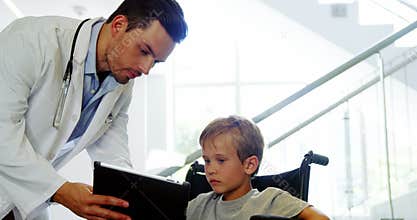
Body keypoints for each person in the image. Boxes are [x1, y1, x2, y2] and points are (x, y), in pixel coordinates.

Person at [0, 0, 187, 219]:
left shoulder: (122, 80)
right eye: (144, 51)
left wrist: (131, 202)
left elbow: (114, 155)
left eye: (156, 62)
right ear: (118, 25)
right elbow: (3, 132)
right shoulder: (31, 39)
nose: (146, 69)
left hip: (24, 204)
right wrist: (62, 190)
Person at [186, 115, 330, 220]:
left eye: (221, 160)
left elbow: (321, 219)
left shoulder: (271, 200)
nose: (210, 169)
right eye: (207, 161)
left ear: (249, 165)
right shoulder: (199, 205)